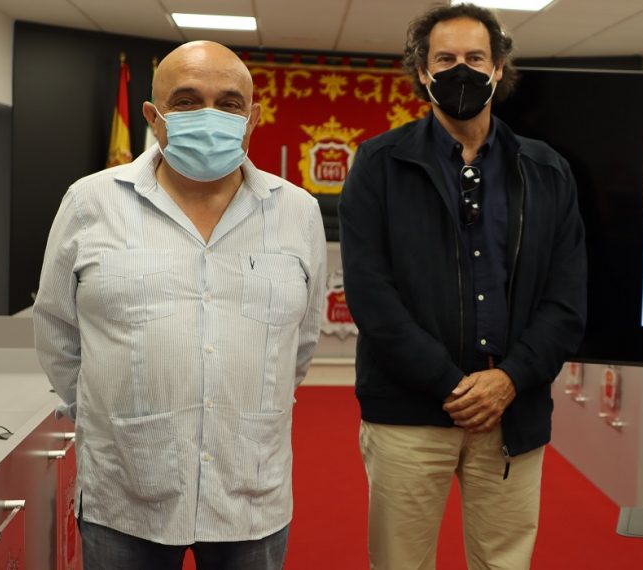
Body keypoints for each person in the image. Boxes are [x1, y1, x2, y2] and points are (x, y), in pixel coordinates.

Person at [33, 40, 327, 569]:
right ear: (154, 116)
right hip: (125, 493)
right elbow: (58, 334)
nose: (210, 115)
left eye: (230, 103)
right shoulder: (88, 203)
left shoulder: (297, 213)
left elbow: (299, 345)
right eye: (187, 101)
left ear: (253, 118)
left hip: (251, 496)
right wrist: (116, 417)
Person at [338, 4, 587, 569]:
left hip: (512, 415)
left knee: (504, 564)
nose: (461, 71)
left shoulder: (547, 172)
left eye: (475, 58)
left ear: (499, 68)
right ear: (422, 72)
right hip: (406, 412)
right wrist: (451, 384)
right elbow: (372, 297)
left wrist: (508, 380)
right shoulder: (378, 164)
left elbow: (566, 302)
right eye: (444, 59)